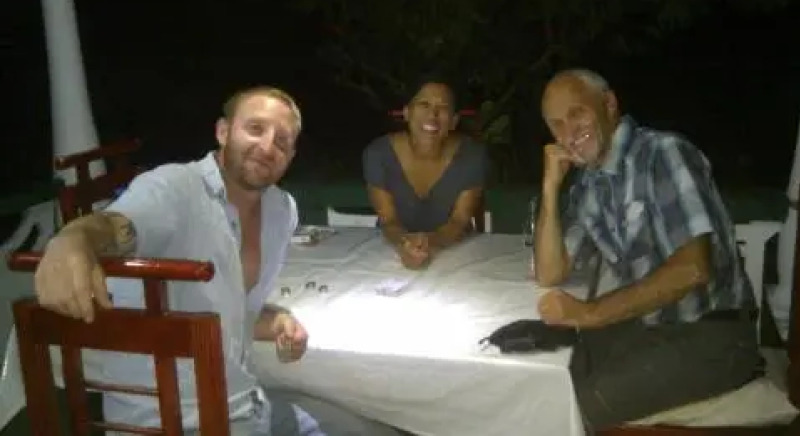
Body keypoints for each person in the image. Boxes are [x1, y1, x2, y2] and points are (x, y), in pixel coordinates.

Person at [33, 86, 402, 436]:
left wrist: (276, 319)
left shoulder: (281, 210)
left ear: (290, 156)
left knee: (362, 426)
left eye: (282, 141)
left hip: (243, 402)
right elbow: (117, 225)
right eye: (255, 129)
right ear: (223, 132)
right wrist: (75, 239)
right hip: (173, 423)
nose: (267, 146)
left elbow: (227, 308)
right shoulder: (176, 188)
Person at [532, 69, 763, 429]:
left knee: (569, 410)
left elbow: (693, 268)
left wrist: (590, 313)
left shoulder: (663, 154)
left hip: (714, 334)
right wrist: (549, 187)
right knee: (551, 380)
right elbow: (550, 272)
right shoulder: (589, 183)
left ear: (609, 104)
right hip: (651, 325)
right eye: (556, 125)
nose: (569, 133)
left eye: (577, 114)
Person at [362, 78, 489, 269]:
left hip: (456, 253)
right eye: (424, 104)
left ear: (453, 121)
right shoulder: (378, 154)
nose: (432, 114)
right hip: (392, 251)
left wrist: (429, 243)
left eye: (443, 108)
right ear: (407, 113)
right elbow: (388, 220)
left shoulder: (472, 155)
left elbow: (459, 221)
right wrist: (405, 244)